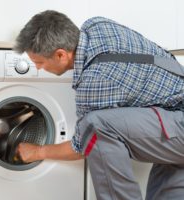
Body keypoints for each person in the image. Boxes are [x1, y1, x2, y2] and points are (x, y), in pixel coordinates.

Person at [14, 10, 184, 200]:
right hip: (173, 113)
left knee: (94, 125)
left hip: (178, 124)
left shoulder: (94, 82)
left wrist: (38, 151)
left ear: (61, 55)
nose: (38, 68)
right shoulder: (95, 24)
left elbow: (81, 146)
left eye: (39, 62)